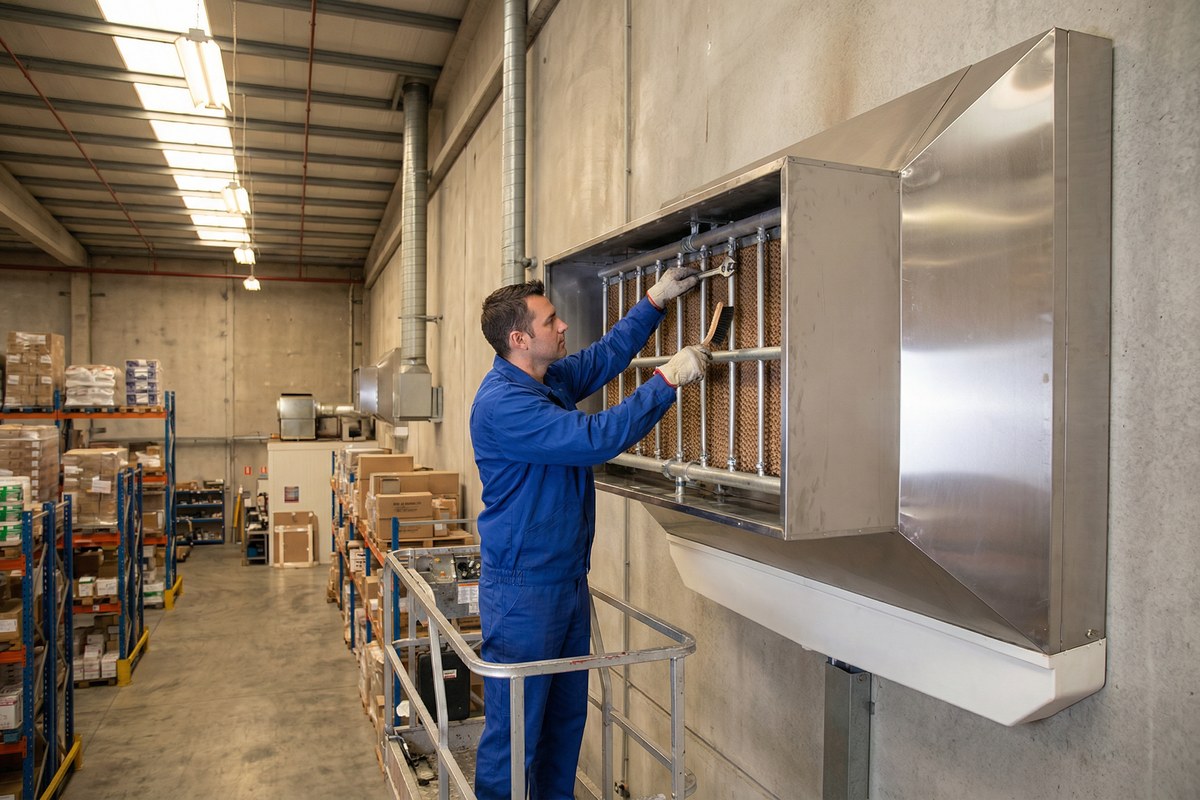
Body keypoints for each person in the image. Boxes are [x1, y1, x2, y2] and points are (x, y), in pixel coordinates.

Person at [469, 271, 708, 799]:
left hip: (566, 581)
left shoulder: (546, 378)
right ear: (519, 339)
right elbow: (596, 438)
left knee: (563, 725)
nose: (563, 325)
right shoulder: (503, 405)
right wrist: (667, 381)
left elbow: (604, 357)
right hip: (522, 591)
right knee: (515, 737)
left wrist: (653, 302)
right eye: (550, 320)